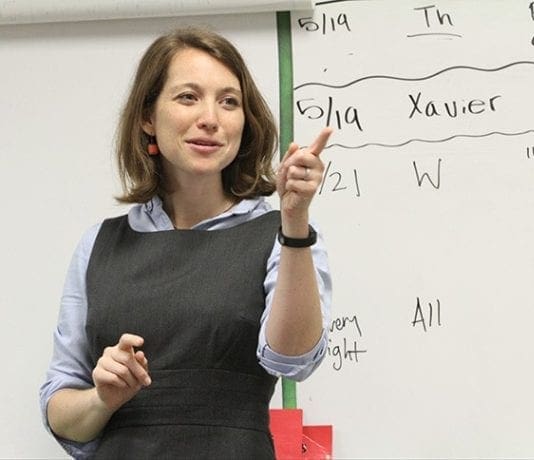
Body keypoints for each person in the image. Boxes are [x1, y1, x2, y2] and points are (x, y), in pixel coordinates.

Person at [39, 27, 332, 459]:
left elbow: (293, 359)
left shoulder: (284, 235)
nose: (210, 118)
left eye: (229, 101)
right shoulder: (100, 244)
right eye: (188, 97)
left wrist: (294, 220)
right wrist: (102, 398)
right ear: (147, 116)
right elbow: (61, 411)